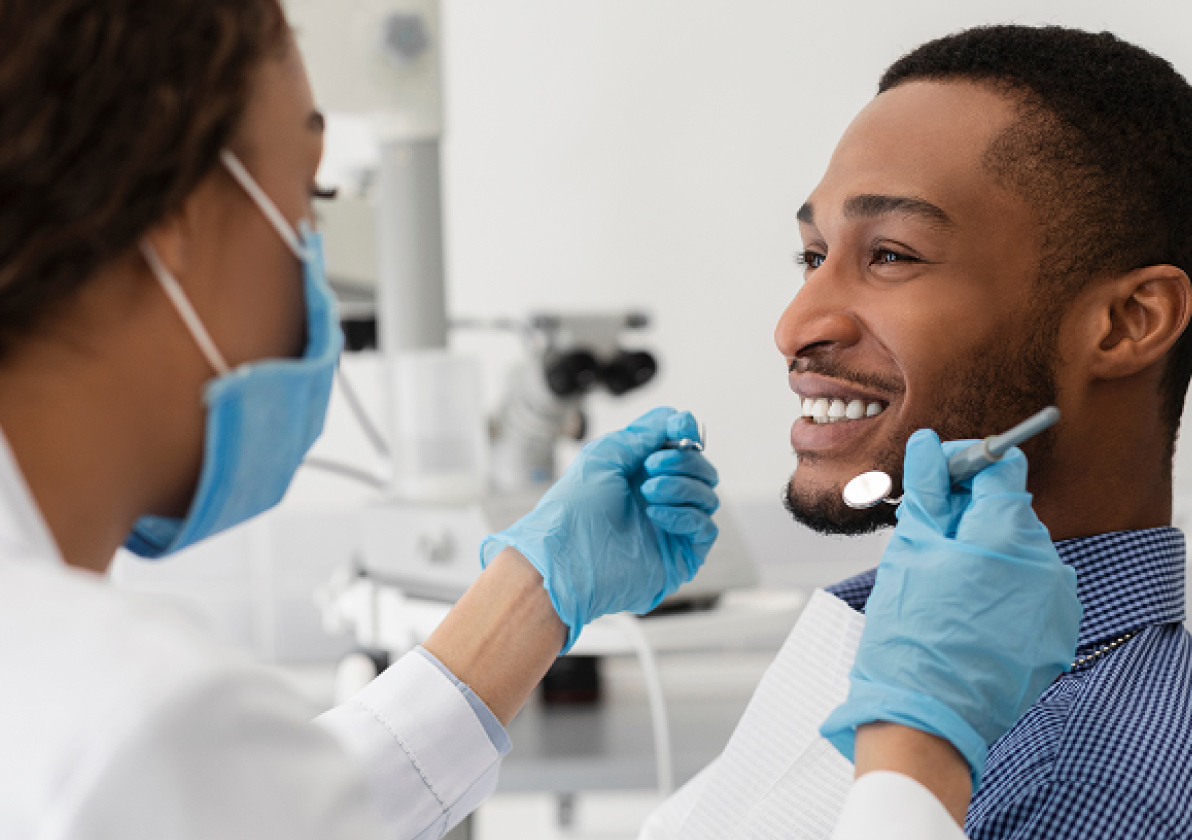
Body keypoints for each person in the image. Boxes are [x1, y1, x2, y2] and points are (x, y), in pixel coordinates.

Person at [0, 2, 722, 837]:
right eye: (310, 195)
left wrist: (533, 596)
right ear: (172, 213)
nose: (318, 268)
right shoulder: (129, 724)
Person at [641, 24, 1192, 840]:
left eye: (893, 255)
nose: (796, 325)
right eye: (812, 256)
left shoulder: (1075, 782)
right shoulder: (901, 652)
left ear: (1125, 324)